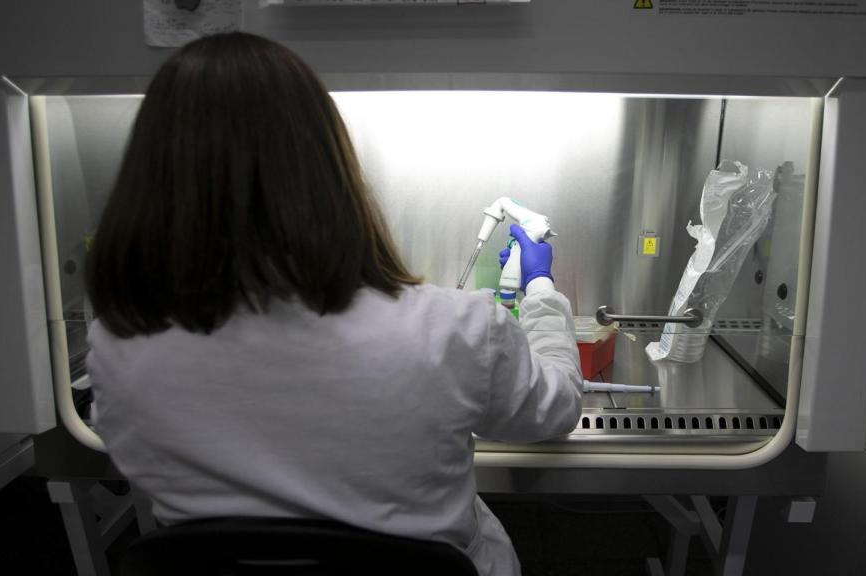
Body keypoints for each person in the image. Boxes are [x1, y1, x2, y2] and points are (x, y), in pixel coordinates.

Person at [85, 32, 582, 576]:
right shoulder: (455, 329)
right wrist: (540, 291)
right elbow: (554, 411)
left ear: (149, 179)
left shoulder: (117, 345)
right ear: (324, 167)